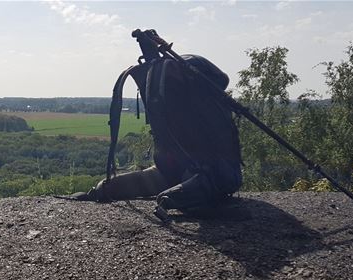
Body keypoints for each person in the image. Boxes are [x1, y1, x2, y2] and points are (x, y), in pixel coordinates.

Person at [69, 53, 243, 221]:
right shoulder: (207, 97)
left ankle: (100, 191)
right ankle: (173, 197)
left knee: (110, 187)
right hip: (202, 173)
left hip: (172, 170)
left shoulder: (162, 79)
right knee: (120, 187)